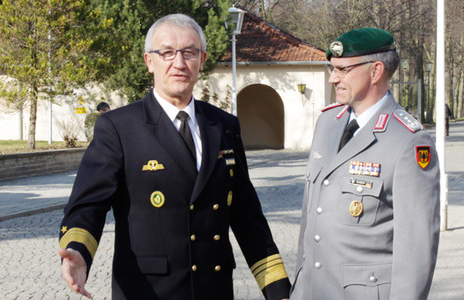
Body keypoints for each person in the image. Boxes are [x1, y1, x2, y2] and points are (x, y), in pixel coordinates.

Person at [58, 14, 291, 300]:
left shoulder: (224, 126)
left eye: (189, 53)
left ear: (202, 60)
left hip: (213, 290)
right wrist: (79, 252)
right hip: (148, 291)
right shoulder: (119, 127)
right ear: (149, 61)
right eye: (167, 52)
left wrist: (277, 288)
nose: (179, 63)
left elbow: (246, 214)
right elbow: (88, 205)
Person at [290, 28, 440, 300]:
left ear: (375, 71)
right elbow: (311, 218)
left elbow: (417, 250)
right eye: (331, 68)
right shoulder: (327, 122)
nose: (332, 78)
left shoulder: (409, 142)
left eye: (342, 70)